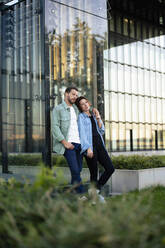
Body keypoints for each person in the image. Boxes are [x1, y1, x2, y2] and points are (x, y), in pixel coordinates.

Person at [75, 96, 115, 200]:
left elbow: (102, 131)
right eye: (82, 104)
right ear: (80, 107)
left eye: (86, 102)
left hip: (100, 146)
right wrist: (87, 148)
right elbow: (82, 134)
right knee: (94, 173)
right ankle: (94, 199)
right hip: (90, 147)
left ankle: (94, 191)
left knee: (110, 168)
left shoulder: (94, 115)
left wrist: (98, 118)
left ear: (89, 103)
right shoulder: (81, 117)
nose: (85, 105)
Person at [51, 86, 84, 194]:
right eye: (73, 94)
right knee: (75, 170)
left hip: (79, 143)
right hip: (68, 144)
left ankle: (73, 193)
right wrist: (65, 143)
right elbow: (55, 127)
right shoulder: (58, 109)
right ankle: (82, 195)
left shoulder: (76, 109)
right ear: (66, 94)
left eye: (76, 95)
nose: (75, 97)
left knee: (78, 171)